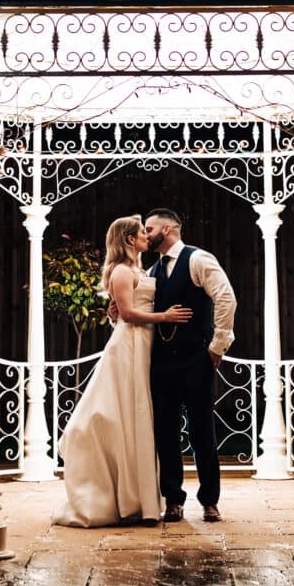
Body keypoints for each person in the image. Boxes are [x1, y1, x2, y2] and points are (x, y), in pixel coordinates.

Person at [52, 213, 192, 527]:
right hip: (129, 346)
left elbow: (122, 310)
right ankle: (124, 497)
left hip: (144, 346)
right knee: (125, 414)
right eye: (142, 232)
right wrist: (165, 317)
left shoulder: (138, 269)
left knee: (137, 417)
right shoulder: (120, 271)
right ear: (130, 240)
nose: (147, 236)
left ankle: (138, 499)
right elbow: (128, 314)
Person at [143, 207, 237, 523]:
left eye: (150, 228)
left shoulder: (198, 259)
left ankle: (210, 500)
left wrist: (217, 347)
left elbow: (226, 298)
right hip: (161, 365)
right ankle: (174, 499)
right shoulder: (152, 271)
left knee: (202, 432)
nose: (146, 234)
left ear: (167, 229)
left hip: (196, 360)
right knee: (165, 433)